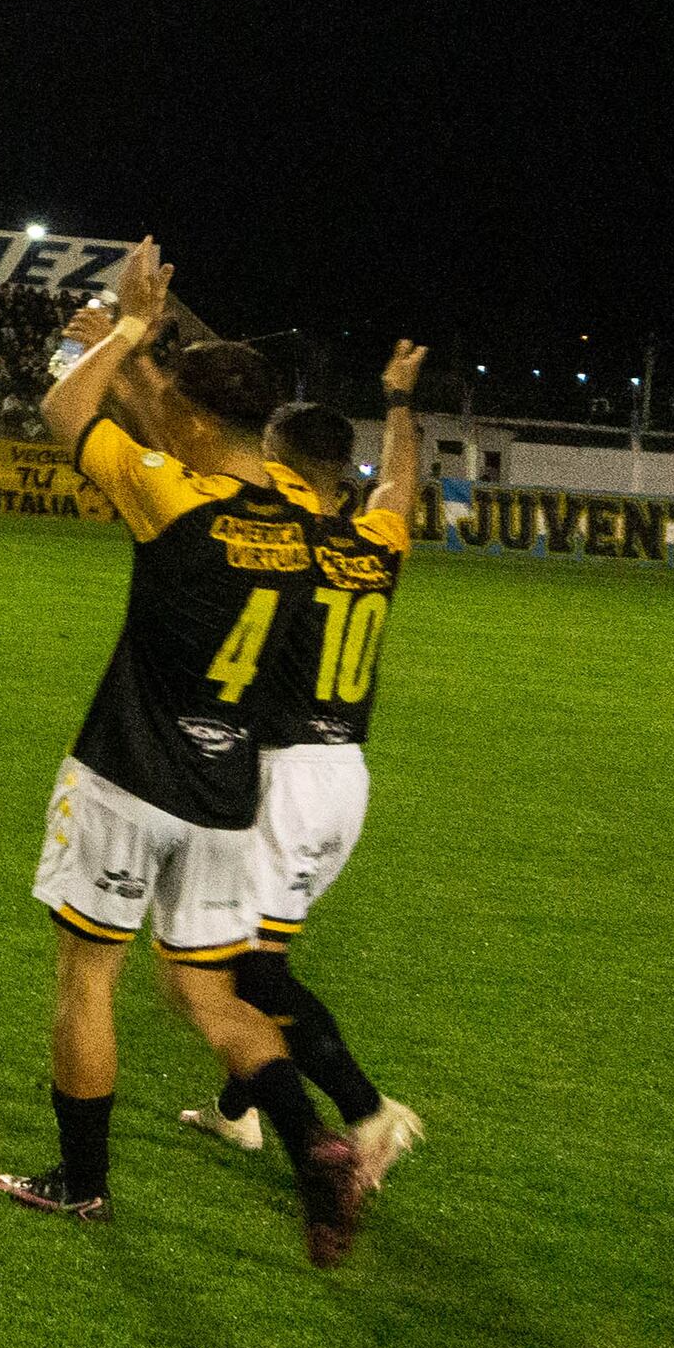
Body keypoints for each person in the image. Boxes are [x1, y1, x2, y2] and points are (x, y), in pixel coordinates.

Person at [0, 243, 366, 1261]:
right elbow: (196, 436)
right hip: (223, 792)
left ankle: (79, 1183)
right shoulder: (299, 518)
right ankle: (311, 1145)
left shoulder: (169, 495)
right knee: (209, 994)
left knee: (86, 979)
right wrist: (152, 351)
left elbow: (65, 413)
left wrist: (121, 329)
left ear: (193, 422)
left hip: (126, 773)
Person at [178, 341, 428, 1195]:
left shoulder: (281, 543)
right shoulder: (376, 541)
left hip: (284, 774)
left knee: (251, 968)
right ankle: (236, 1106)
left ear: (279, 462)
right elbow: (402, 486)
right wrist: (399, 402)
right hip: (347, 773)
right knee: (261, 949)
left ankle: (366, 1112)